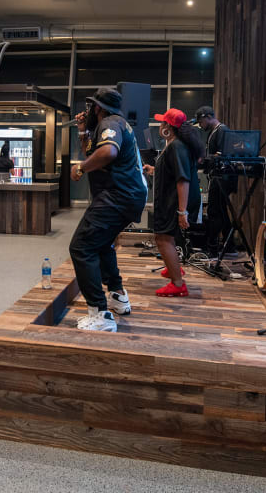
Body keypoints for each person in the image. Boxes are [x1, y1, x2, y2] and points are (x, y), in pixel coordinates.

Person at [68, 88, 147, 332]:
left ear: (99, 108)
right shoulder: (115, 123)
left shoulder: (110, 123)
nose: (88, 111)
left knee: (81, 247)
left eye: (91, 107)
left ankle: (99, 313)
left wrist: (80, 168)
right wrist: (82, 130)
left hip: (117, 196)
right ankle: (117, 296)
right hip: (126, 196)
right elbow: (93, 151)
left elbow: (108, 152)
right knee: (101, 244)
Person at [147, 108, 203, 298]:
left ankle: (178, 283)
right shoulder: (174, 144)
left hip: (174, 201)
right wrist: (154, 170)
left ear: (169, 128)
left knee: (162, 238)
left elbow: (182, 180)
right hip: (172, 199)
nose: (160, 126)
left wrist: (182, 211)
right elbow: (172, 172)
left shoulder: (176, 146)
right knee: (166, 237)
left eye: (163, 123)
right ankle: (174, 269)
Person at [195, 106, 236, 257]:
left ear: (208, 117)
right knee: (222, 211)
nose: (200, 125)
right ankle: (230, 247)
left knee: (214, 211)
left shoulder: (222, 130)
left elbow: (223, 155)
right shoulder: (214, 132)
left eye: (201, 121)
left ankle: (211, 248)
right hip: (219, 176)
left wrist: (203, 160)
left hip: (223, 177)